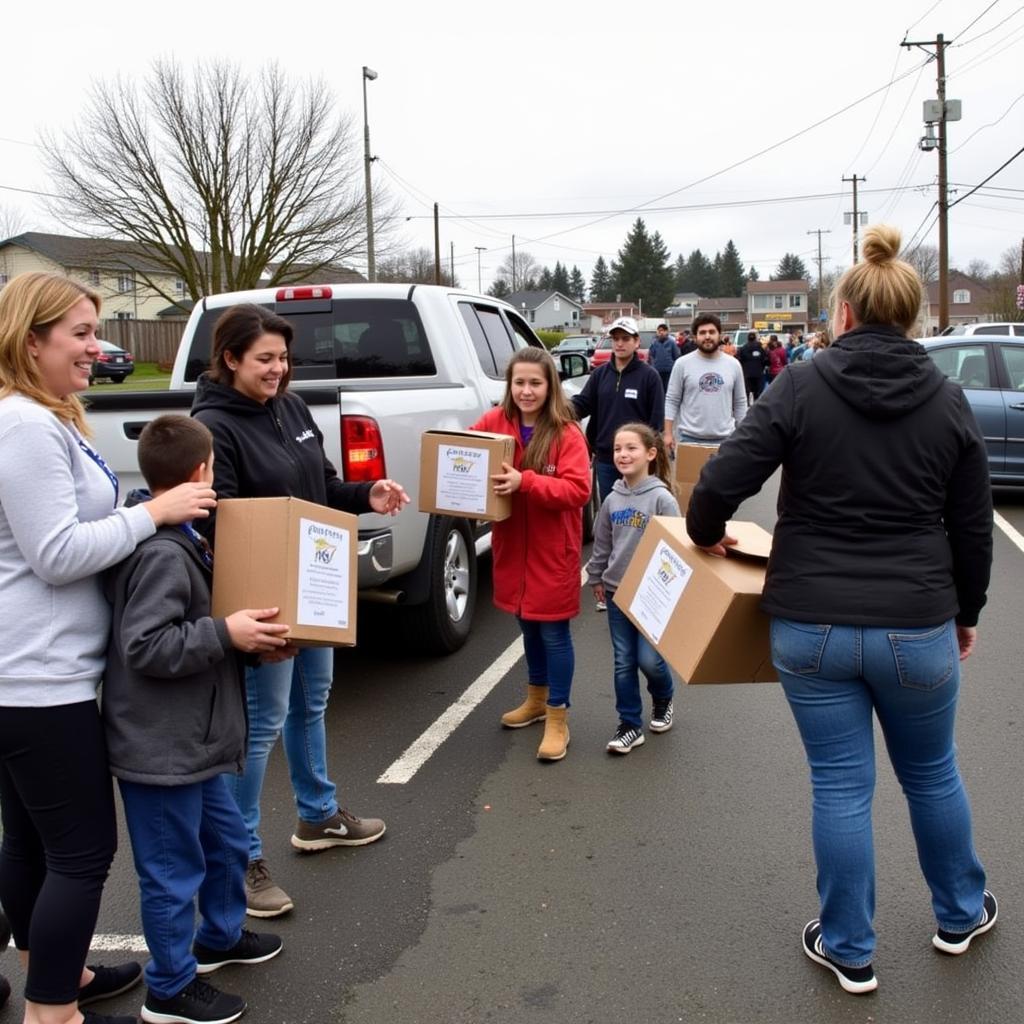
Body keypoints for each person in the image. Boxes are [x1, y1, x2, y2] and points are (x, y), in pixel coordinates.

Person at [685, 225, 995, 995]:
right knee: (931, 774)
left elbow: (723, 477)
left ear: (846, 313)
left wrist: (704, 533)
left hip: (811, 626)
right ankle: (959, 913)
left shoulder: (803, 383)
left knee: (840, 786)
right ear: (914, 318)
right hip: (917, 624)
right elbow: (971, 527)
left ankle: (850, 947)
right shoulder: (949, 400)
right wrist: (968, 612)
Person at [0, 272, 217, 1024]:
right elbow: (56, 553)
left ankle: (48, 970)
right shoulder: (25, 426)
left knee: (29, 840)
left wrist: (134, 514)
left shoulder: (41, 418)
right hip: (40, 679)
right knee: (82, 855)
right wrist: (153, 513)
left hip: (27, 673)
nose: (99, 347)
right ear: (33, 341)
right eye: (82, 334)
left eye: (97, 331)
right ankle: (52, 1011)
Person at [192, 304, 410, 919]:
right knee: (261, 726)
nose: (278, 370)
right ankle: (240, 861)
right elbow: (222, 519)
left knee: (313, 702)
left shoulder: (290, 407)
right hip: (265, 600)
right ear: (231, 358)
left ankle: (317, 817)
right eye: (265, 359)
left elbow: (320, 487)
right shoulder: (213, 426)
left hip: (314, 585)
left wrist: (366, 494)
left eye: (283, 358)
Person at [103, 416, 287, 1024]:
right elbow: (146, 646)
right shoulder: (161, 552)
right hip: (161, 750)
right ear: (201, 472)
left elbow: (205, 631)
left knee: (227, 844)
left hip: (198, 741)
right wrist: (224, 632)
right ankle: (170, 988)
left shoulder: (188, 536)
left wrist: (247, 641)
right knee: (171, 870)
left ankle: (220, 937)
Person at [471, 347, 590, 762]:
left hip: (551, 552)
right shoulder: (494, 422)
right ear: (509, 385)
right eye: (519, 382)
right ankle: (536, 698)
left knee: (553, 634)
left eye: (535, 383)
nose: (526, 391)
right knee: (527, 628)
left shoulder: (566, 433)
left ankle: (559, 714)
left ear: (550, 385)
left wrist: (527, 482)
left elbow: (578, 491)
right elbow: (465, 453)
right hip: (512, 549)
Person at [586, 423, 680, 754]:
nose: (622, 455)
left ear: (651, 454)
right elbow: (602, 544)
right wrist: (596, 577)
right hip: (617, 593)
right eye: (617, 449)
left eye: (631, 448)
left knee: (649, 660)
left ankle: (664, 694)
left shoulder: (662, 499)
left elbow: (677, 550)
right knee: (623, 660)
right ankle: (629, 724)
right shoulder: (611, 498)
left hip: (652, 596)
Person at [571, 316, 664, 503]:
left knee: (638, 510)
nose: (620, 343)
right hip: (606, 458)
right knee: (611, 509)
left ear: (636, 341)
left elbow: (656, 422)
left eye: (625, 338)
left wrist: (648, 456)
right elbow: (581, 405)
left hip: (637, 459)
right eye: (616, 339)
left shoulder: (649, 377)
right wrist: (554, 408)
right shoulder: (599, 374)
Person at [663, 313, 747, 452]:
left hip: (725, 440)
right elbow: (672, 400)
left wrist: (744, 435)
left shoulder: (734, 365)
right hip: (689, 439)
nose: (707, 336)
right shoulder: (682, 364)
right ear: (695, 337)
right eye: (702, 332)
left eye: (712, 332)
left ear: (719, 335)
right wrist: (667, 433)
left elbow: (740, 402)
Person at [647, 322, 679, 391]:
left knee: (668, 388)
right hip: (657, 370)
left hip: (669, 371)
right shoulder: (654, 343)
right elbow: (652, 355)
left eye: (663, 331)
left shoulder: (672, 342)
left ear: (667, 332)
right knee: (658, 388)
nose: (661, 332)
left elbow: (676, 356)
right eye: (659, 331)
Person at [737, 330, 766, 403]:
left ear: (747, 338)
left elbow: (739, 360)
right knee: (757, 392)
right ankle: (756, 405)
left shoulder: (743, 348)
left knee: (746, 391)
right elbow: (765, 359)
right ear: (755, 338)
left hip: (747, 373)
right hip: (758, 373)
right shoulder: (760, 348)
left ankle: (746, 405)